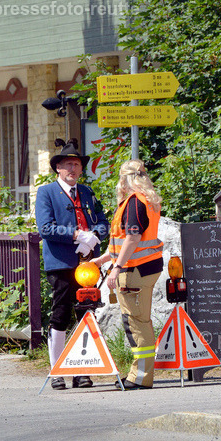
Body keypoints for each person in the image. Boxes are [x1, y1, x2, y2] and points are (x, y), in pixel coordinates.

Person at [35, 138, 109, 390]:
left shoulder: (87, 192)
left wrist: (94, 237)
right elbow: (45, 228)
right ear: (58, 168)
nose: (73, 170)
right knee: (61, 313)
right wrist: (77, 235)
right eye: (68, 165)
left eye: (76, 165)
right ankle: (57, 370)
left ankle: (81, 369)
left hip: (88, 263)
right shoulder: (46, 192)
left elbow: (102, 221)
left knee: (86, 313)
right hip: (62, 262)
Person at [92, 159, 163, 390]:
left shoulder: (133, 202)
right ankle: (140, 374)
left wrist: (116, 268)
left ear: (125, 179)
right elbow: (126, 240)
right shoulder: (146, 200)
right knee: (140, 321)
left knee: (136, 323)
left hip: (134, 270)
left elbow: (133, 239)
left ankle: (140, 377)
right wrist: (105, 259)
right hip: (146, 267)